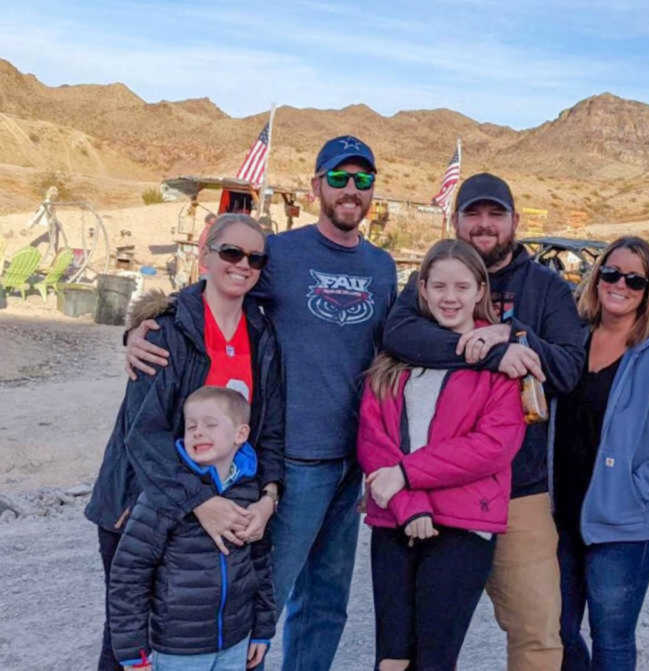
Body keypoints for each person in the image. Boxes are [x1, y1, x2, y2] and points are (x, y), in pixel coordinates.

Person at [125, 135, 397, 671]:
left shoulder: (383, 267)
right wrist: (138, 330)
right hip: (295, 457)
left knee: (327, 603)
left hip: (353, 461)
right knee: (265, 595)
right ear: (318, 185)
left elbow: (398, 343)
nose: (350, 189)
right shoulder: (284, 253)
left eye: (362, 180)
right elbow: (215, 289)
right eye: (339, 178)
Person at [383, 173, 586, 671]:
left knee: (538, 630)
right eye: (473, 214)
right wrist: (479, 350)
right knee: (417, 641)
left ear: (515, 222)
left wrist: (514, 337)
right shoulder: (436, 276)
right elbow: (398, 333)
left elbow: (567, 369)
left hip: (519, 489)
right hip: (436, 482)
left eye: (496, 215)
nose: (484, 225)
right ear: (456, 221)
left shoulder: (548, 289)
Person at [85, 213, 285, 671]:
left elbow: (269, 427)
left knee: (214, 638)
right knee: (130, 645)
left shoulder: (263, 334)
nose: (242, 265)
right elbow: (143, 431)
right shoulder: (167, 329)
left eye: (255, 257)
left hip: (226, 507)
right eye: (231, 253)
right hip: (147, 507)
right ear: (205, 257)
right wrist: (199, 500)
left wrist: (269, 496)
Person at [358, 239, 526, 670]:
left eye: (461, 287)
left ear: (479, 290)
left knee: (434, 661)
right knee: (391, 660)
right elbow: (373, 438)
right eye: (439, 287)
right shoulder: (394, 358)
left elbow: (494, 446)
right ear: (424, 290)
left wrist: (407, 474)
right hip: (394, 517)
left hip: (462, 525)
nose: (450, 297)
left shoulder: (498, 363)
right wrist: (407, 502)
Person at [553, 236, 649, 670]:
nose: (619, 284)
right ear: (597, 276)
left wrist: (634, 486)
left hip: (625, 529)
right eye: (610, 272)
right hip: (563, 517)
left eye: (634, 280)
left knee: (612, 641)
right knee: (556, 630)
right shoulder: (573, 339)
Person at [109, 386, 276, 670]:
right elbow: (129, 574)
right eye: (191, 426)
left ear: (241, 434)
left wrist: (262, 629)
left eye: (211, 424)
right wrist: (135, 654)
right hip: (177, 652)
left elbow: (259, 565)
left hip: (234, 646)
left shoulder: (248, 492)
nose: (198, 432)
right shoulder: (163, 496)